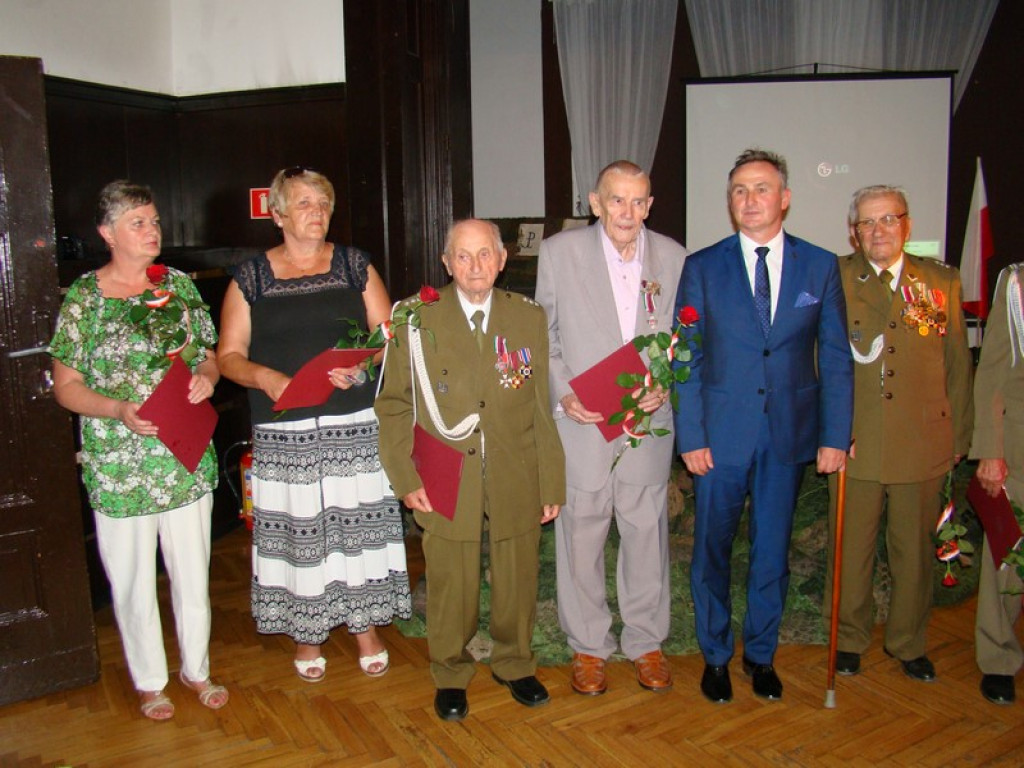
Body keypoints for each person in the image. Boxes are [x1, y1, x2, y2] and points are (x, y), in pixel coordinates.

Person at [218, 167, 411, 684]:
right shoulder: (250, 277)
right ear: (278, 215)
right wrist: (266, 377)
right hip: (286, 430)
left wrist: (363, 363)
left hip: (353, 422)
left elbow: (387, 334)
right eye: (304, 203)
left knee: (358, 525)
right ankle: (307, 632)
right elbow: (228, 357)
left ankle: (366, 626)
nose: (317, 212)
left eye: (323, 202)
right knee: (302, 531)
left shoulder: (354, 265)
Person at [675, 148, 853, 703]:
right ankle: (715, 656)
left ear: (785, 198)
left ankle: (760, 656)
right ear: (730, 203)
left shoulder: (820, 266)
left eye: (761, 189)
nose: (749, 200)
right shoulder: (703, 266)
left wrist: (834, 435)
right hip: (720, 437)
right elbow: (687, 358)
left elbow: (836, 357)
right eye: (739, 191)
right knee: (712, 551)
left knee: (771, 550)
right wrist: (692, 436)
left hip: (788, 436)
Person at [50, 180, 228, 721]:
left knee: (192, 572)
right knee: (131, 580)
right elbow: (66, 387)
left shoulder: (177, 285)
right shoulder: (84, 299)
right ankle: (151, 680)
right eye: (138, 223)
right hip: (119, 462)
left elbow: (209, 355)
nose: (152, 231)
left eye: (153, 221)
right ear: (107, 233)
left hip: (183, 453)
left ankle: (196, 668)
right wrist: (117, 410)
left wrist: (206, 377)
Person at [375, 218, 565, 722]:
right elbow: (394, 403)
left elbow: (540, 406)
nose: (475, 266)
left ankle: (514, 663)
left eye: (486, 254)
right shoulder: (415, 320)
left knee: (518, 576)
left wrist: (551, 478)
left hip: (516, 469)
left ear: (503, 260)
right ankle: (451, 671)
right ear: (445, 263)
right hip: (444, 473)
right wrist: (405, 476)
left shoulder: (528, 317)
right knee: (450, 582)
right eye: (463, 256)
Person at [534, 160, 686, 696]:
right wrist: (565, 391)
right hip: (584, 418)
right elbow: (543, 335)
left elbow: (678, 338)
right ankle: (589, 647)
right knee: (581, 534)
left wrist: (665, 381)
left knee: (647, 533)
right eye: (617, 200)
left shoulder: (672, 255)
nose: (629, 212)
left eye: (639, 201)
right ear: (595, 203)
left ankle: (645, 641)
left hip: (647, 419)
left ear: (650, 203)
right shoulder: (559, 253)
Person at [825, 185, 972, 683]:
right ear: (854, 232)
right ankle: (848, 640)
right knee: (851, 550)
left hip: (922, 440)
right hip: (855, 441)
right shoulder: (838, 278)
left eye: (888, 220)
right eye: (866, 223)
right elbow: (820, 360)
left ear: (906, 225)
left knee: (913, 553)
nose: (877, 231)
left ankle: (909, 642)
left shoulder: (940, 282)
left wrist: (959, 438)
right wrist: (831, 431)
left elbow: (957, 365)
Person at [967, 264, 1024, 705]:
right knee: (1009, 553)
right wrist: (990, 449)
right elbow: (992, 372)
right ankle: (999, 657)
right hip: (1019, 446)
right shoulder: (1018, 282)